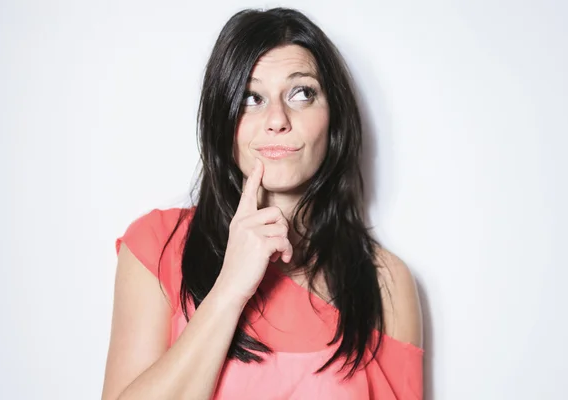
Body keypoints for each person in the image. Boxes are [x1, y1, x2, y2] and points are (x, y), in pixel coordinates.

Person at [102, 7, 423, 400]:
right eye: (252, 98)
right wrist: (231, 287)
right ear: (223, 120)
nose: (277, 119)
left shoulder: (383, 281)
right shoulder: (157, 246)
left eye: (301, 93)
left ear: (334, 117)